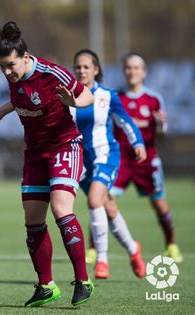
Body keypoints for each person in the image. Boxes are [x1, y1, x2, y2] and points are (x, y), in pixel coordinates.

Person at [0, 22, 95, 307]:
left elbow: (87, 94)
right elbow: (21, 98)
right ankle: (46, 286)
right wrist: (2, 111)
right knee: (32, 221)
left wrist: (75, 102)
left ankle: (83, 280)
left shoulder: (50, 72)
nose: (7, 72)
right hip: (34, 153)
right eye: (2, 67)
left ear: (25, 57)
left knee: (60, 209)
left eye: (10, 65)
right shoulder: (14, 77)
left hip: (64, 146)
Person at [71, 49, 146, 280]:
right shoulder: (68, 96)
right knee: (108, 207)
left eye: (86, 67)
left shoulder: (107, 95)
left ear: (96, 69)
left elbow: (125, 121)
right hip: (81, 161)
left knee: (94, 200)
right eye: (78, 67)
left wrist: (138, 143)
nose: (82, 70)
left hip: (106, 155)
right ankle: (134, 250)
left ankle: (102, 260)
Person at [109, 52, 182, 262]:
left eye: (136, 67)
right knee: (103, 199)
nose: (131, 71)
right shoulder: (116, 98)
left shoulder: (153, 99)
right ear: (124, 71)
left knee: (159, 204)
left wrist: (161, 125)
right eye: (128, 67)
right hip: (121, 160)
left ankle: (171, 244)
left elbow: (161, 135)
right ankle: (94, 251)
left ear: (144, 72)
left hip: (147, 161)